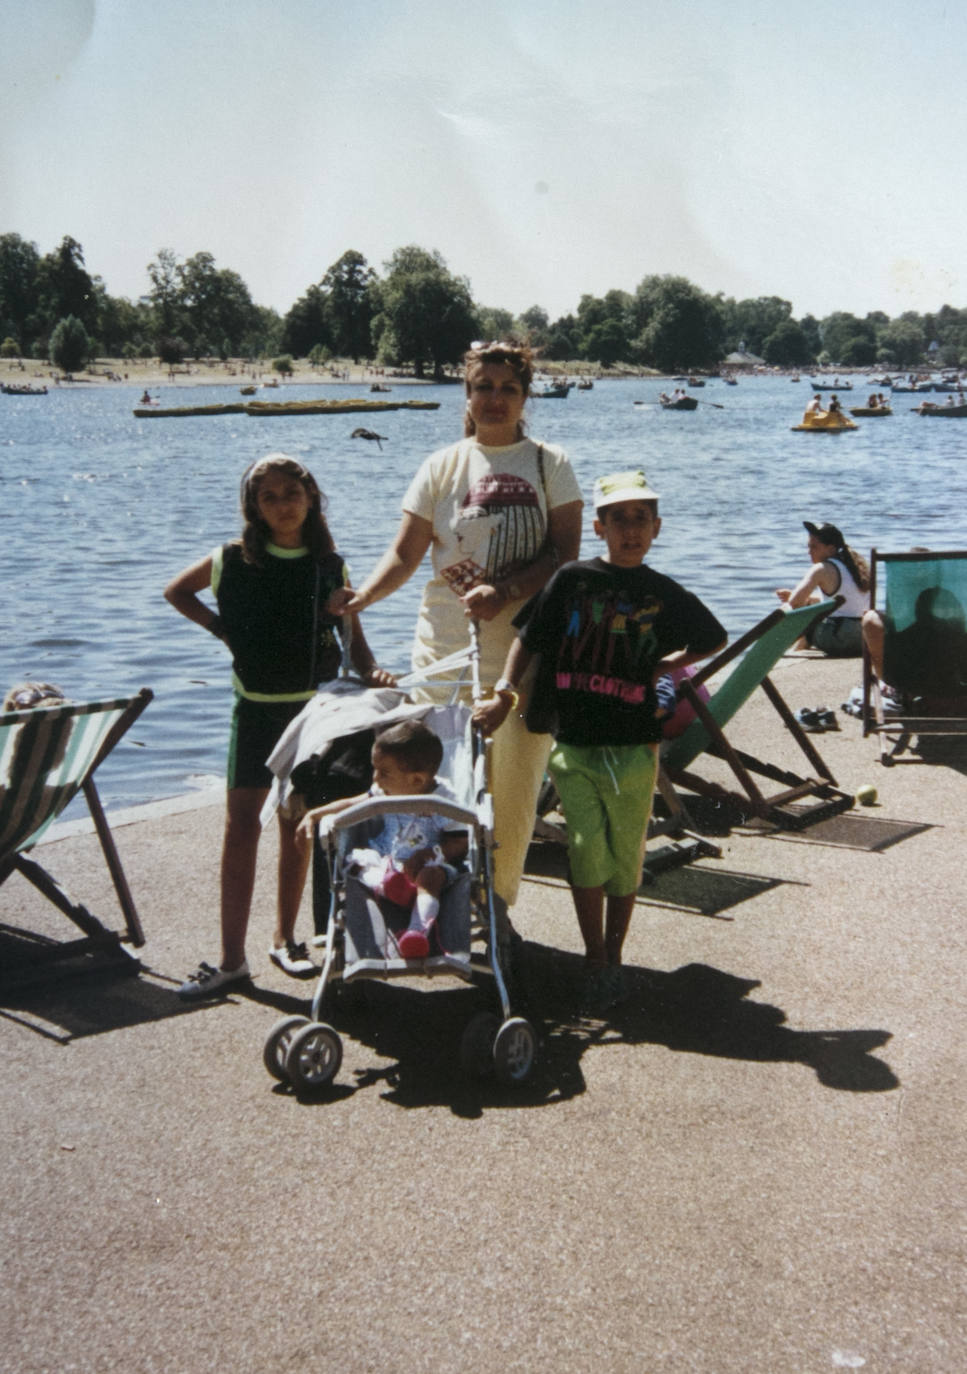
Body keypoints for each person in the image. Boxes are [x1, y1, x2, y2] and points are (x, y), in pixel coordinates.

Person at [329, 341, 583, 922]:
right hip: (443, 652)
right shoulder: (441, 466)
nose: (495, 399)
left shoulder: (550, 463)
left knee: (511, 799)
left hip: (522, 658)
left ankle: (496, 916)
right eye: (483, 387)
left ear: (525, 397)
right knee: (433, 792)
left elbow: (565, 556)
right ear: (467, 394)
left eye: (508, 389)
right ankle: (430, 911)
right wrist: (362, 597)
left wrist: (508, 590)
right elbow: (405, 552)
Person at [473, 469, 726, 1014]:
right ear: (599, 527)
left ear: (657, 528)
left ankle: (616, 954)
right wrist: (503, 693)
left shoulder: (662, 592)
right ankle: (593, 958)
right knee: (586, 849)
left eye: (640, 519)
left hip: (636, 744)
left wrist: (666, 662)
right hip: (575, 743)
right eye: (618, 520)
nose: (630, 530)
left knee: (626, 855)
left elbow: (713, 636)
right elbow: (527, 640)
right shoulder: (572, 580)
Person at [164, 452, 395, 999]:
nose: (282, 505)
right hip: (255, 710)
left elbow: (355, 647)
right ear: (253, 506)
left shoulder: (329, 566)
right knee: (241, 828)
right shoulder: (229, 559)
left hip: (313, 714)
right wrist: (222, 629)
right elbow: (177, 592)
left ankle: (286, 939)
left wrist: (376, 673)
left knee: (298, 829)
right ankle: (229, 961)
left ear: (311, 498)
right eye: (268, 497)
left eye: (292, 494)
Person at [298, 718, 469, 958]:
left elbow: (460, 842)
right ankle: (388, 885)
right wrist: (316, 814)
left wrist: (430, 855)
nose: (375, 779)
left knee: (432, 876)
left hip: (430, 863)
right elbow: (354, 802)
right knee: (359, 863)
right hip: (389, 860)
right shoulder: (382, 791)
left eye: (384, 773)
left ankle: (416, 932)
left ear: (417, 780)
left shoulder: (445, 802)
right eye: (374, 769)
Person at [775, 521, 871, 656]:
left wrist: (797, 600)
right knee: (811, 611)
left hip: (839, 639)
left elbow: (794, 604)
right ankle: (797, 650)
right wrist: (808, 600)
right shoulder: (855, 567)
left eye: (814, 547)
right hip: (864, 638)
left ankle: (788, 652)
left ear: (831, 549)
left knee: (808, 616)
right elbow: (845, 603)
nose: (809, 552)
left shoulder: (821, 569)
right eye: (808, 547)